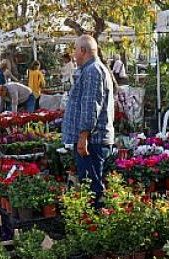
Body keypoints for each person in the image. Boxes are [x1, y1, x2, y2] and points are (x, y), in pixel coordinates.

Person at [61, 35, 115, 206]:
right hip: (91, 140)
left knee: (92, 188)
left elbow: (91, 105)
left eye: (75, 50)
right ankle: (93, 223)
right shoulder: (90, 69)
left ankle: (97, 225)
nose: (74, 54)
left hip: (93, 141)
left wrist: (83, 136)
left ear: (83, 51)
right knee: (90, 185)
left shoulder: (93, 71)